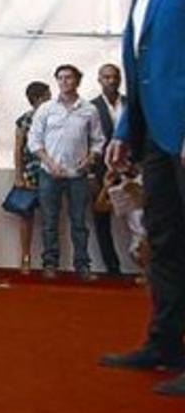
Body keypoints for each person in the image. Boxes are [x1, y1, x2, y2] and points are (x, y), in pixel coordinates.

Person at [100, 0, 185, 396]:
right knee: (166, 242)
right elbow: (141, 66)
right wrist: (126, 129)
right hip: (155, 136)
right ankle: (165, 343)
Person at [26, 64, 104, 279]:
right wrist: (49, 163)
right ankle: (50, 263)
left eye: (69, 78)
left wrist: (90, 159)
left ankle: (82, 266)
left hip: (77, 175)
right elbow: (34, 141)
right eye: (60, 78)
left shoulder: (89, 109)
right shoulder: (46, 109)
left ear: (77, 81)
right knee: (50, 221)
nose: (64, 82)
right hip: (49, 173)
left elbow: (98, 141)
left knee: (79, 222)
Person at [90, 63, 127, 276]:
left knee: (138, 217)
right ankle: (112, 268)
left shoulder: (130, 104)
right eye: (107, 77)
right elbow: (88, 141)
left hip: (129, 167)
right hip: (101, 169)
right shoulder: (91, 106)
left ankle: (144, 265)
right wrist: (93, 174)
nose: (111, 81)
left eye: (115, 77)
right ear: (99, 80)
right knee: (101, 218)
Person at [13, 81, 52, 272]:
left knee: (50, 216)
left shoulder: (55, 117)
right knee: (25, 215)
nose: (51, 98)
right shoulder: (24, 120)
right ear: (37, 99)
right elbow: (18, 149)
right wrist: (18, 175)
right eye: (47, 95)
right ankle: (25, 257)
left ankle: (50, 259)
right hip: (31, 171)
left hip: (50, 170)